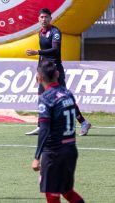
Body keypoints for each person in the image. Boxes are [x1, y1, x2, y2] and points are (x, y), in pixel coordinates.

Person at [26, 8, 91, 136]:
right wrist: (38, 71)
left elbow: (55, 50)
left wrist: (37, 52)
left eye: (46, 17)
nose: (44, 19)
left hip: (55, 70)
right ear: (38, 19)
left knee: (64, 98)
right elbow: (42, 56)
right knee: (41, 98)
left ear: (50, 18)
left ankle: (83, 122)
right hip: (44, 70)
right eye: (42, 17)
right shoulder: (41, 33)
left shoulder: (55, 32)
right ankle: (41, 126)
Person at [32, 60, 85, 203]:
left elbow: (44, 129)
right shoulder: (67, 93)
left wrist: (37, 157)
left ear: (39, 78)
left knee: (52, 193)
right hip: (70, 149)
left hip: (54, 152)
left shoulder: (46, 98)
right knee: (66, 190)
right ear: (57, 74)